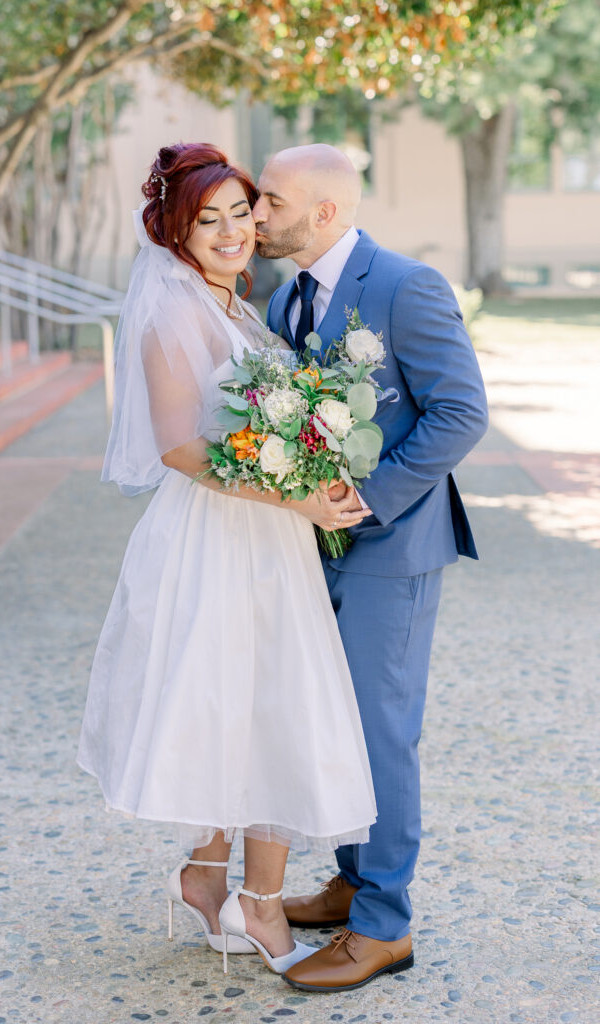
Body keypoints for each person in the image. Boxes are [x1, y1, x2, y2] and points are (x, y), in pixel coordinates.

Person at [76, 142, 377, 977]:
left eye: (241, 212)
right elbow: (179, 449)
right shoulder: (173, 313)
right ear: (173, 232)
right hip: (219, 537)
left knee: (251, 702)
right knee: (254, 702)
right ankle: (259, 903)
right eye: (206, 220)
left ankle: (209, 878)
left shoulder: (238, 307)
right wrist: (297, 499)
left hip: (265, 532)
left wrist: (312, 466)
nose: (231, 231)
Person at [253, 143, 488, 992]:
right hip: (311, 545)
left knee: (381, 733)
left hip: (394, 547)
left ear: (324, 212)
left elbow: (460, 412)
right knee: (335, 722)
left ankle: (384, 926)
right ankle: (353, 883)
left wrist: (371, 495)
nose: (256, 214)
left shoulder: (404, 286)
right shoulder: (284, 299)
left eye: (271, 201)